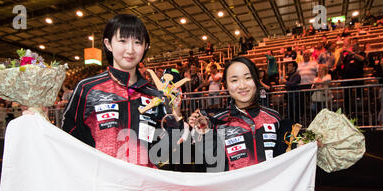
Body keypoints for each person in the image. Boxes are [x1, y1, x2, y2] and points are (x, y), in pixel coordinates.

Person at [62, 14, 185, 168]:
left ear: (146, 46)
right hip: (103, 184)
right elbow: (66, 139)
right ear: (108, 44)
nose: (130, 50)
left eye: (137, 42)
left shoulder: (154, 95)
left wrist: (176, 115)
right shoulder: (87, 89)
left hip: (144, 186)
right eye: (123, 41)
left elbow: (167, 148)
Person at [187, 57, 292, 172]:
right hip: (234, 189)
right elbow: (210, 166)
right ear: (226, 85)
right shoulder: (216, 122)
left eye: (248, 78)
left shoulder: (274, 117)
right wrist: (200, 134)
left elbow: (285, 161)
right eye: (234, 80)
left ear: (256, 80)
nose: (242, 86)